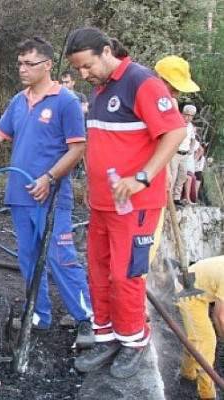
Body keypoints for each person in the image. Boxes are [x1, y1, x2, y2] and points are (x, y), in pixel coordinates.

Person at [0, 36, 95, 349]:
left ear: (48, 65)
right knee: (28, 258)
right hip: (19, 195)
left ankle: (87, 319)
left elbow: (78, 148)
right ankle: (39, 314)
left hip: (50, 198)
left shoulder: (65, 102)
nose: (22, 69)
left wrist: (49, 178)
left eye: (29, 64)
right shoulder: (18, 101)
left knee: (60, 257)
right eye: (20, 64)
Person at [65, 27, 186, 378]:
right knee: (99, 272)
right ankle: (107, 336)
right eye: (79, 71)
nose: (84, 75)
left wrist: (143, 177)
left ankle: (134, 341)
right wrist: (92, 182)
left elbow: (174, 131)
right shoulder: (101, 88)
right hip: (103, 203)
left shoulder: (141, 81)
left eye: (87, 67)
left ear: (106, 51)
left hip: (136, 204)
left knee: (125, 274)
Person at [154, 57, 201, 205]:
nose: (177, 94)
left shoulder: (170, 102)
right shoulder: (157, 100)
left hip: (172, 157)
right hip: (149, 166)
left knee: (179, 177)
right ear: (161, 79)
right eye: (174, 88)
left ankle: (172, 200)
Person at [177, 256, 224, 400]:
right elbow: (219, 317)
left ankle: (187, 374)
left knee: (195, 337)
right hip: (188, 291)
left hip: (200, 285)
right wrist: (222, 339)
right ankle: (206, 395)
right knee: (206, 342)